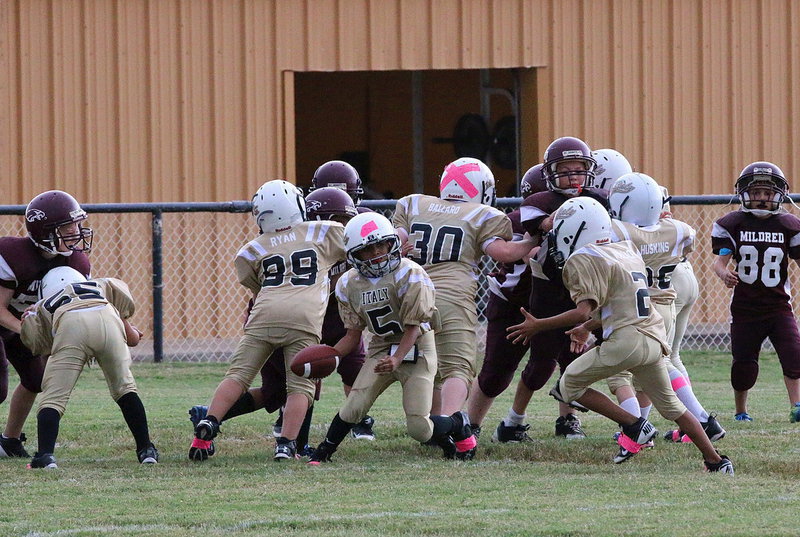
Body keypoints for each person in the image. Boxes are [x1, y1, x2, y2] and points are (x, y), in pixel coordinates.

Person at [507, 196, 734, 473]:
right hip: (652, 337)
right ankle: (716, 461)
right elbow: (617, 304)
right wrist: (587, 328)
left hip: (625, 342)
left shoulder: (582, 259)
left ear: (576, 229)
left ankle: (635, 426)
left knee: (567, 386)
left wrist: (538, 325)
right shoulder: (625, 248)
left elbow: (583, 310)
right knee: (672, 407)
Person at [187, 187, 372, 456]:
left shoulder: (251, 249)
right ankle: (286, 445)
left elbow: (254, 285)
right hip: (303, 317)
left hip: (263, 314)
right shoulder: (321, 231)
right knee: (300, 386)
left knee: (238, 375)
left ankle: (210, 420)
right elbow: (352, 248)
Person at [392, 157, 536, 456]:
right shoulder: (482, 214)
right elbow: (504, 252)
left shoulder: (415, 204)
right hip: (450, 296)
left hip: (408, 295)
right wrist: (534, 240)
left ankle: (428, 427)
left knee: (427, 364)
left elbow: (394, 241)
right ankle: (448, 426)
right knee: (458, 368)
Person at [309, 213, 474, 463]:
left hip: (417, 345)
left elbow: (413, 327)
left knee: (419, 428)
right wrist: (330, 358)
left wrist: (397, 359)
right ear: (355, 253)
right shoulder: (347, 284)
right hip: (381, 346)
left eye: (381, 244)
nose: (376, 252)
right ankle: (324, 451)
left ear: (391, 243)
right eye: (368, 249)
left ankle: (457, 423)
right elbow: (352, 336)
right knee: (354, 405)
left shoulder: (410, 274)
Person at [495, 137, 608, 442]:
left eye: (579, 168)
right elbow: (539, 227)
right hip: (549, 290)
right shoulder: (539, 203)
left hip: (588, 285)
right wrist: (568, 214)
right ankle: (513, 421)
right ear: (550, 172)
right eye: (566, 169)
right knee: (541, 364)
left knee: (577, 360)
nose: (573, 175)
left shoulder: (602, 196)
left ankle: (568, 420)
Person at [606, 173, 725, 443]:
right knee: (659, 363)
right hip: (666, 305)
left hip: (637, 309)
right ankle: (703, 420)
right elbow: (685, 250)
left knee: (620, 373)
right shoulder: (679, 229)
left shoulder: (620, 231)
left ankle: (635, 430)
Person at [20, 267, 157, 468]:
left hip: (70, 324)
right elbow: (133, 339)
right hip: (106, 315)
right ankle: (146, 450)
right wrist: (131, 331)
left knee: (54, 398)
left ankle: (45, 456)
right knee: (125, 388)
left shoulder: (42, 306)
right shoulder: (102, 285)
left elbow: (40, 347)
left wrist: (29, 321)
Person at [0, 190, 92, 458]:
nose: (76, 232)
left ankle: (9, 440)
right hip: (10, 318)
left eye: (77, 224)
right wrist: (29, 330)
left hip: (20, 321)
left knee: (35, 379)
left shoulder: (75, 262)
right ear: (44, 231)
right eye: (68, 227)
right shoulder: (13, 255)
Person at [711, 161, 800, 423]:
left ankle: (797, 406)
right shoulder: (733, 223)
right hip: (745, 308)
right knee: (743, 364)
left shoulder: (789, 224)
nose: (762, 198)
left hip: (778, 305)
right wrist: (723, 274)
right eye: (757, 192)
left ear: (778, 195)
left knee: (794, 355)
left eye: (767, 193)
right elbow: (719, 262)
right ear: (744, 193)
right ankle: (741, 411)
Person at [466, 164, 544, 440]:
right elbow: (529, 257)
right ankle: (470, 425)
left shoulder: (583, 213)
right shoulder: (517, 220)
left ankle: (565, 420)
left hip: (555, 303)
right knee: (495, 374)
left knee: (555, 366)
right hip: (513, 303)